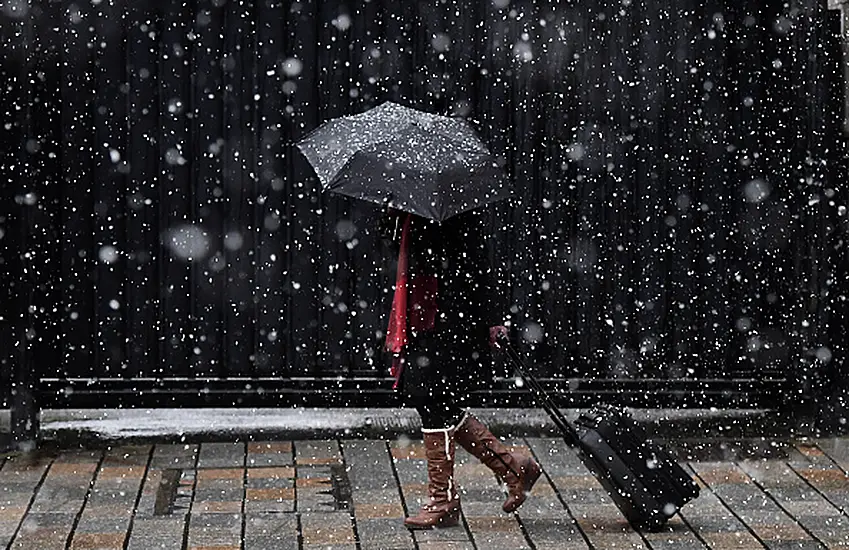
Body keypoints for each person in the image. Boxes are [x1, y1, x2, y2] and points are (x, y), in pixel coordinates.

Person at [379, 208, 542, 530]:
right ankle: (511, 467)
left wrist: (492, 317)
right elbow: (397, 249)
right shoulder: (409, 206)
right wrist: (394, 220)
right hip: (425, 314)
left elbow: (477, 263)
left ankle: (445, 500)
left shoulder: (450, 208)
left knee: (432, 399)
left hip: (452, 316)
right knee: (433, 400)